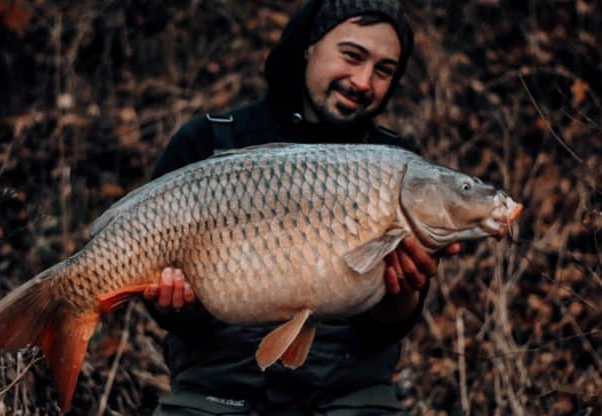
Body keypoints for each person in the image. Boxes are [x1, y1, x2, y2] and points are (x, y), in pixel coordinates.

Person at [143, 1, 460, 414]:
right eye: (352, 55)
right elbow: (165, 311)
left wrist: (404, 293)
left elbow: (386, 331)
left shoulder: (398, 165)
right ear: (308, 47)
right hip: (216, 391)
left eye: (384, 70)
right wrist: (175, 305)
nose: (364, 81)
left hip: (348, 396)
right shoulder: (208, 141)